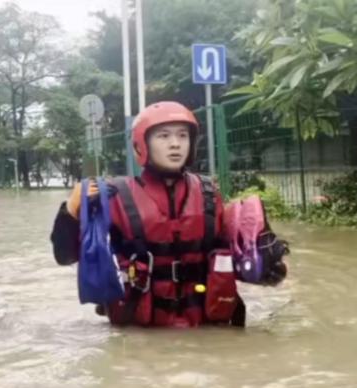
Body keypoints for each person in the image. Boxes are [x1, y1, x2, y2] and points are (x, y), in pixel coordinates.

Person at [50, 101, 287, 328]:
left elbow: (232, 259)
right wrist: (70, 211)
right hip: (142, 333)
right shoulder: (115, 197)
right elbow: (66, 257)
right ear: (142, 144)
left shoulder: (208, 194)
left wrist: (268, 270)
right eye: (163, 136)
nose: (175, 144)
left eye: (183, 136)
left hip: (204, 325)